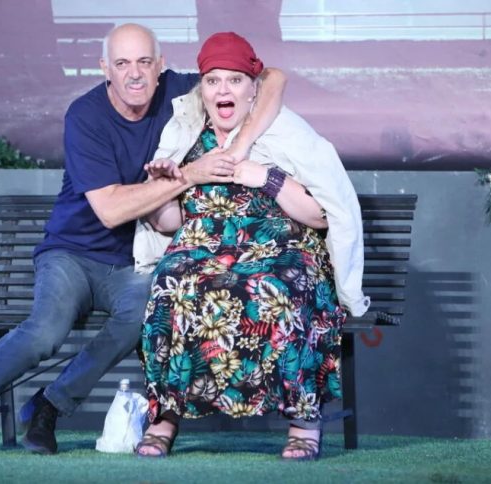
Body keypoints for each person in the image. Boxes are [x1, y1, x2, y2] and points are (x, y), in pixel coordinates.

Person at [0, 23, 287, 457]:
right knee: (45, 332)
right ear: (105, 68)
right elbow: (111, 210)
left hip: (132, 262)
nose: (135, 74)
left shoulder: (178, 91)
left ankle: (50, 406)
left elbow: (273, 77)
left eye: (144, 62)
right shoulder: (85, 116)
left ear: (160, 66)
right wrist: (191, 175)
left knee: (145, 315)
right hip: (71, 254)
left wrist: (241, 147)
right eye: (122, 63)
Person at [135, 32, 369, 461]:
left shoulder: (283, 132)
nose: (223, 89)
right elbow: (170, 224)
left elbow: (322, 214)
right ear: (202, 91)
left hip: (280, 245)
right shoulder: (186, 134)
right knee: (170, 284)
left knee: (278, 287)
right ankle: (164, 419)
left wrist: (267, 177)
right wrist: (164, 188)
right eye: (213, 81)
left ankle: (304, 423)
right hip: (204, 246)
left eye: (235, 80)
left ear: (252, 89)